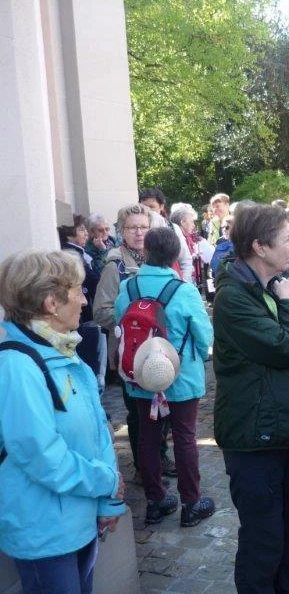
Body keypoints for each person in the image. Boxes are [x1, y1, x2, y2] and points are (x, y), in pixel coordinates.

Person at [212, 203, 289, 593]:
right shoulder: (234, 296)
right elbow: (280, 346)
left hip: (286, 430)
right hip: (254, 438)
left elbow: (277, 351)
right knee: (264, 542)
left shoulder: (267, 287)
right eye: (285, 239)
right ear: (259, 247)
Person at [0, 250, 126, 593]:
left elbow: (97, 432)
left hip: (77, 520)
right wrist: (106, 482)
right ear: (51, 303)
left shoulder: (64, 353)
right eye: (78, 291)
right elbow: (42, 455)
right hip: (44, 532)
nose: (84, 301)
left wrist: (108, 501)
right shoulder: (16, 366)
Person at [114, 227, 215, 527]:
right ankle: (191, 502)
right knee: (184, 437)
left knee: (148, 437)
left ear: (145, 252)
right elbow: (204, 336)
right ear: (175, 255)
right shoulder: (184, 291)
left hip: (142, 374)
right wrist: (198, 356)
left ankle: (155, 500)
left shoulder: (128, 288)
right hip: (181, 377)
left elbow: (120, 326)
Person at [94, 204, 176, 480]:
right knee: (138, 412)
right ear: (121, 231)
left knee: (162, 407)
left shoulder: (158, 260)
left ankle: (159, 456)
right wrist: (133, 322)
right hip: (130, 352)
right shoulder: (115, 266)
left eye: (144, 227)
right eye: (132, 227)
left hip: (158, 350)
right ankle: (144, 467)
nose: (139, 233)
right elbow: (101, 311)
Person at [58, 215, 104, 387]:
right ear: (70, 233)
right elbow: (93, 280)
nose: (86, 234)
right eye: (81, 230)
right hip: (83, 318)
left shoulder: (80, 252)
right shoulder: (72, 254)